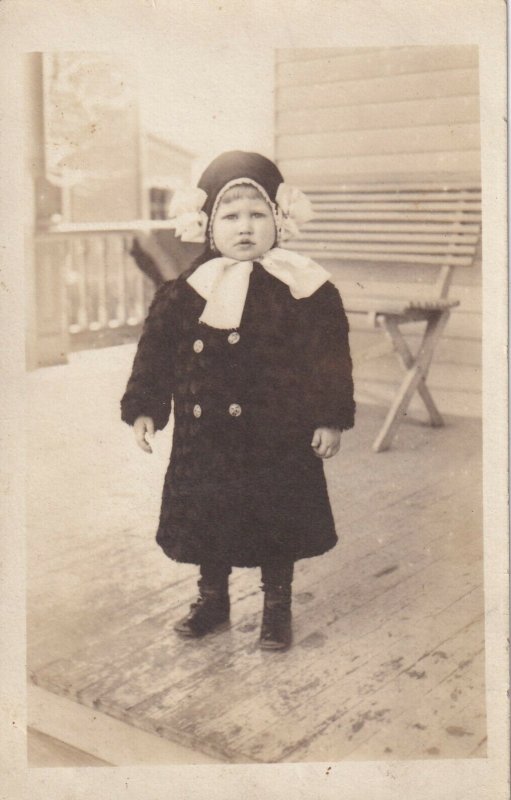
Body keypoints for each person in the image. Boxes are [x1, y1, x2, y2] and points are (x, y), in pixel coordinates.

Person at [120, 151, 355, 651]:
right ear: (207, 226)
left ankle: (276, 607)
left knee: (276, 517)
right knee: (209, 515)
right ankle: (212, 599)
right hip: (206, 435)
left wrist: (330, 417)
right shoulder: (188, 290)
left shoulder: (304, 288)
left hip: (277, 433)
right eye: (230, 216)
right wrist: (144, 406)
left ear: (280, 220)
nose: (244, 227)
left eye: (257, 214)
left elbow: (329, 360)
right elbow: (156, 354)